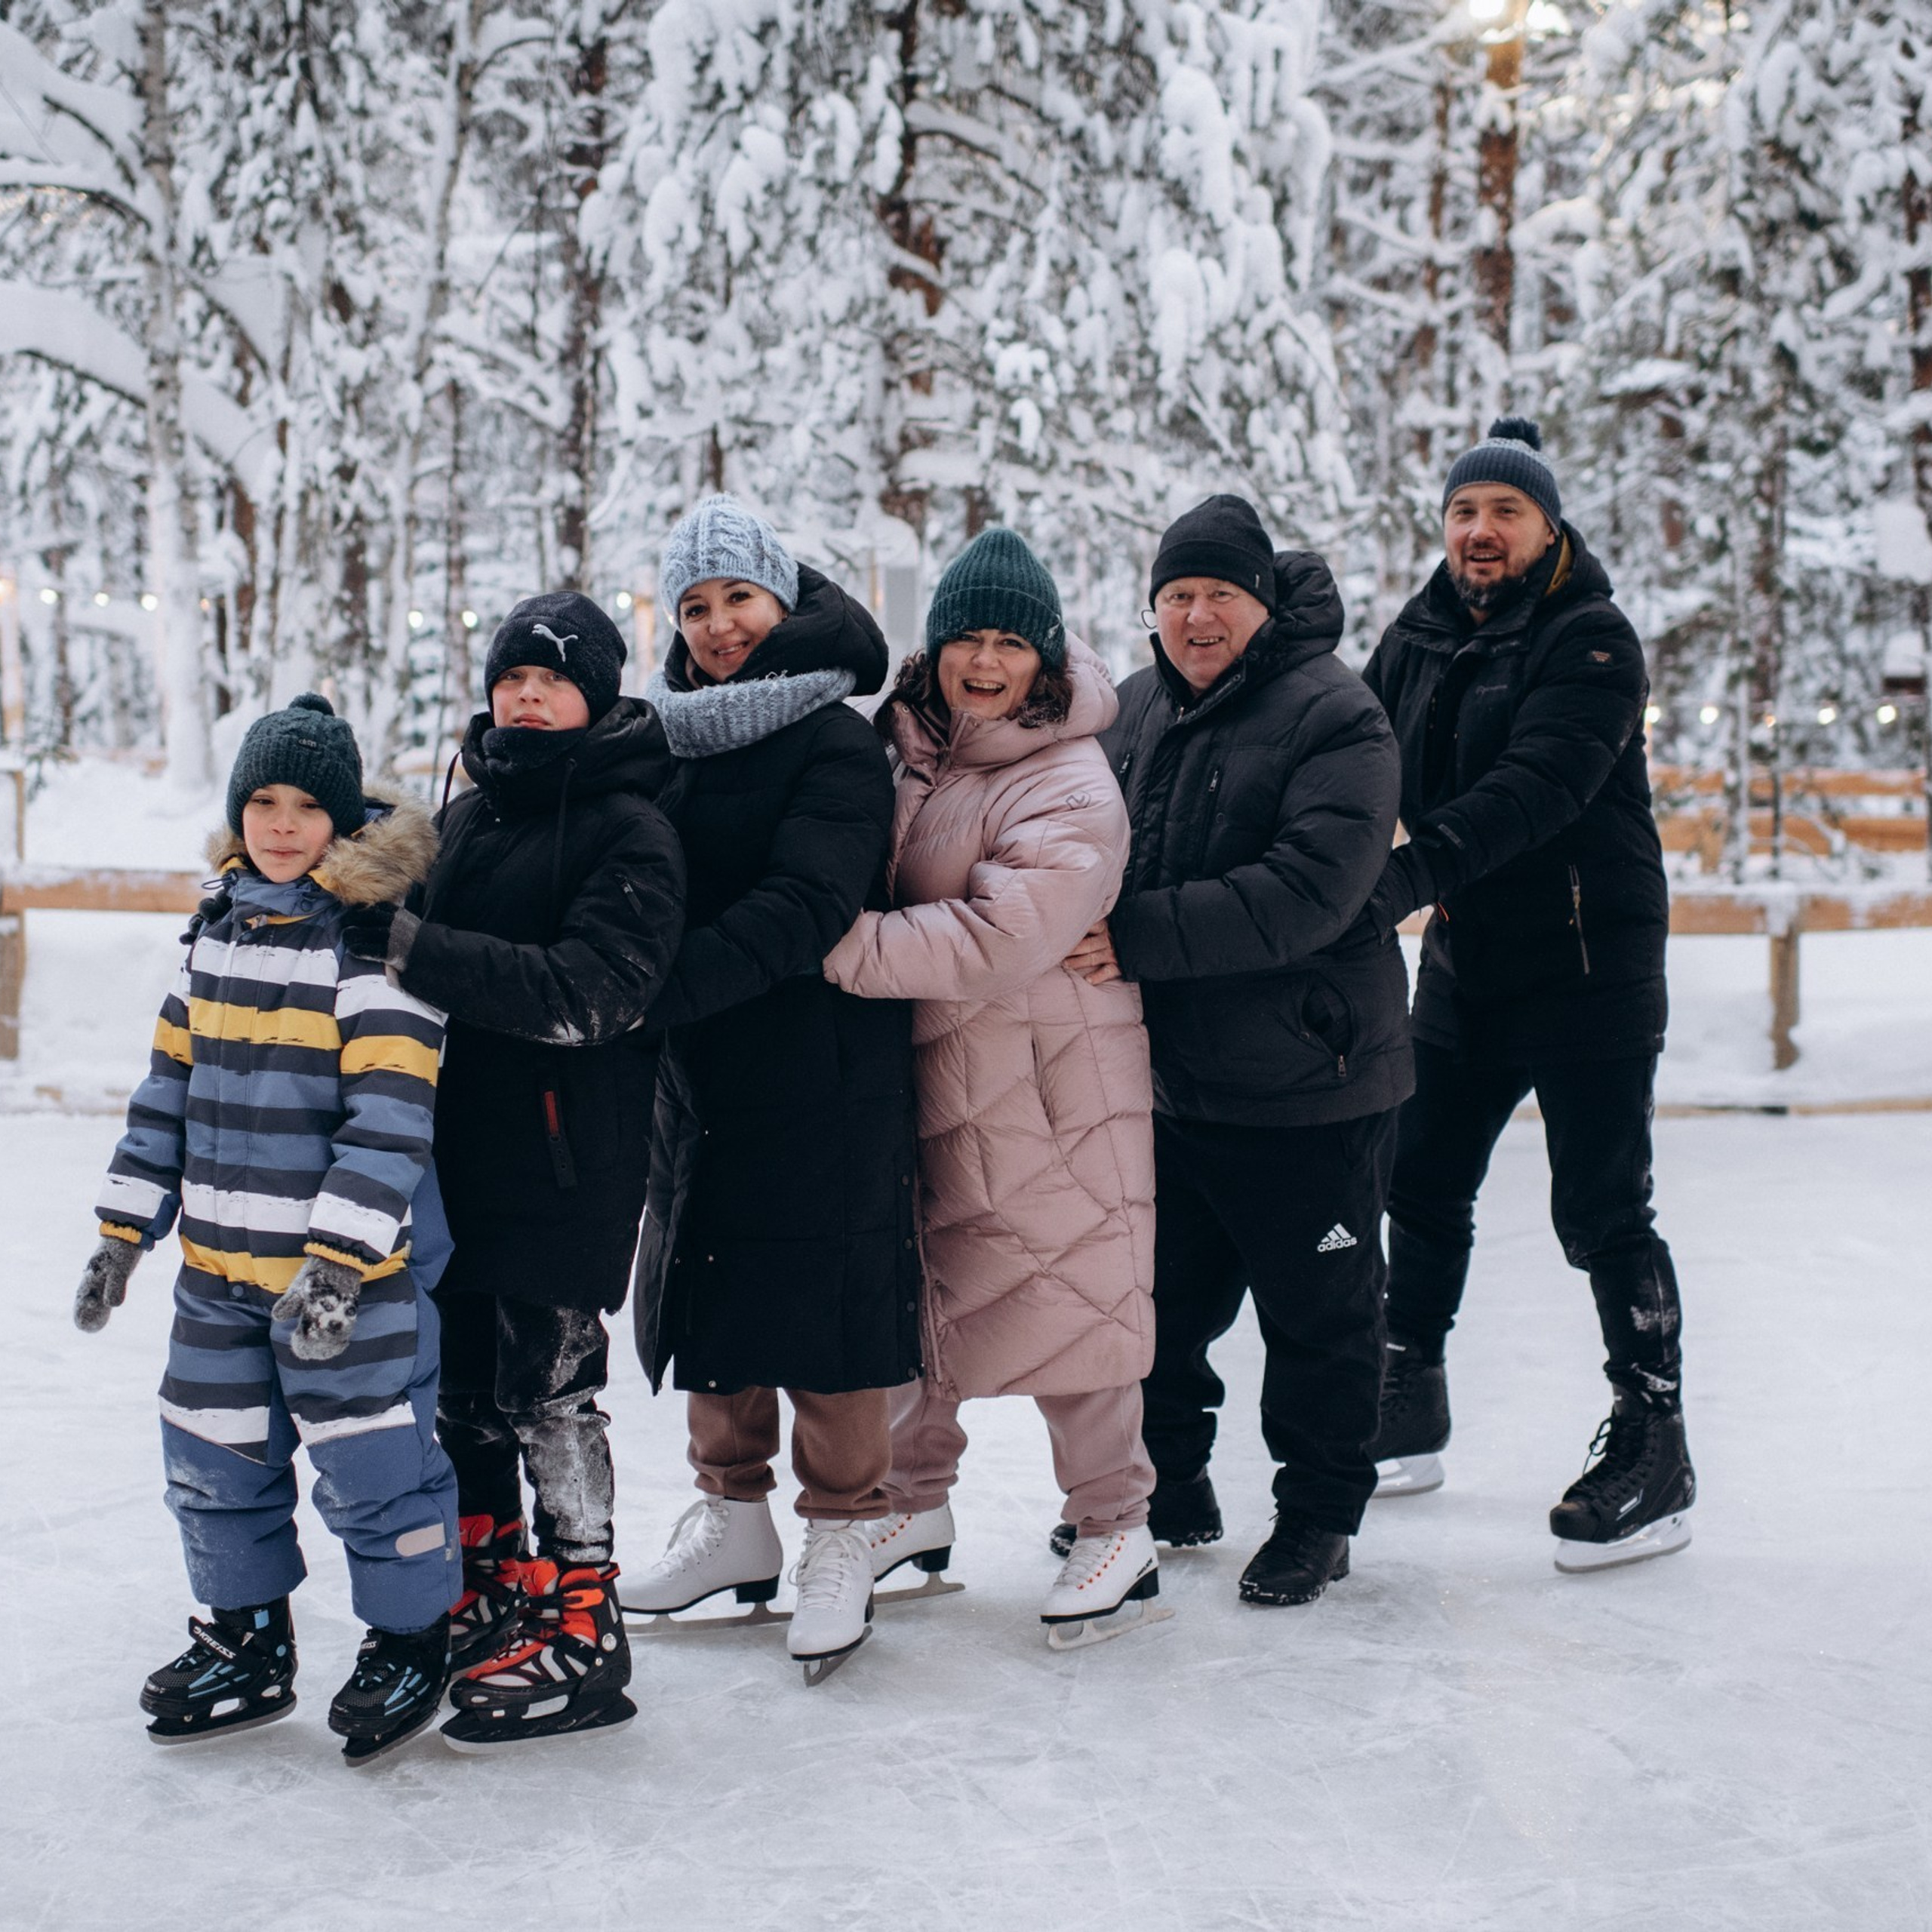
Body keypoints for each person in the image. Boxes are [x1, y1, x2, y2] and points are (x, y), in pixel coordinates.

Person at [75, 694, 457, 1765]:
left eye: (305, 806)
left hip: (347, 1281)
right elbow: (165, 1096)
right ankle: (245, 1639)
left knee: (371, 1461)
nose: (282, 824)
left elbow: (391, 1120)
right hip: (217, 1274)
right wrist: (123, 1232)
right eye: (262, 802)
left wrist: (337, 1262)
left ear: (342, 821)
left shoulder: (373, 948)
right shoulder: (212, 938)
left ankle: (409, 1638)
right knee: (213, 1457)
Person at [1063, 494, 1412, 1607]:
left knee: (1319, 1319)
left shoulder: (1336, 713)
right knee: (1155, 1307)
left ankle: (1316, 1517)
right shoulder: (1131, 710)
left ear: (1262, 603)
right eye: (1177, 595)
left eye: (1220, 593)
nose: (1197, 614)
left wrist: (1131, 939)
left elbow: (1312, 891)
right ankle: (1169, 1488)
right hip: (1172, 1081)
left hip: (1310, 1081)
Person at [1360, 417, 1694, 1571]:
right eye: (1463, 511)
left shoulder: (1592, 637)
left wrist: (1402, 875)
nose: (1480, 530)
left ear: (1547, 528)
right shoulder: (1414, 638)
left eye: (1505, 511)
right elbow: (1349, 754)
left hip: (1589, 963)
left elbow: (1534, 789)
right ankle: (1409, 1395)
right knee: (1421, 1172)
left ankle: (1656, 1443)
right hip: (1468, 961)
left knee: (1602, 1209)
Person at [823, 528, 1161, 1646]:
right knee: (929, 1290)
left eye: (1009, 642)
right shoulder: (908, 745)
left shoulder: (1068, 777)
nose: (983, 660)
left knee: (1074, 1296)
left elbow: (998, 936)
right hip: (928, 1070)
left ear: (1045, 658)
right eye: (966, 636)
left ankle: (1114, 1519)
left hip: (1047, 1076)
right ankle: (912, 1505)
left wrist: (835, 948)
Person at [372, 590, 685, 1747]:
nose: (528, 696)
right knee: (462, 1388)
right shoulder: (466, 818)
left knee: (550, 1391)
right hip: (456, 1156)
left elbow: (590, 994)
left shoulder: (631, 828)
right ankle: (493, 1580)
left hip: (569, 1158)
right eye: (513, 677)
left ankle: (586, 1615)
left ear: (597, 696)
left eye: (553, 680)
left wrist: (412, 948)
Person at [625, 496, 919, 1683]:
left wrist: (657, 986)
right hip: (702, 1073)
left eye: (738, 599)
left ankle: (841, 1533)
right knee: (713, 1277)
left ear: (784, 602)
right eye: (696, 606)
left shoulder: (839, 741)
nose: (718, 626)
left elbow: (808, 905)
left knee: (828, 1302)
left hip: (824, 1065)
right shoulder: (662, 738)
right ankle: (732, 1516)